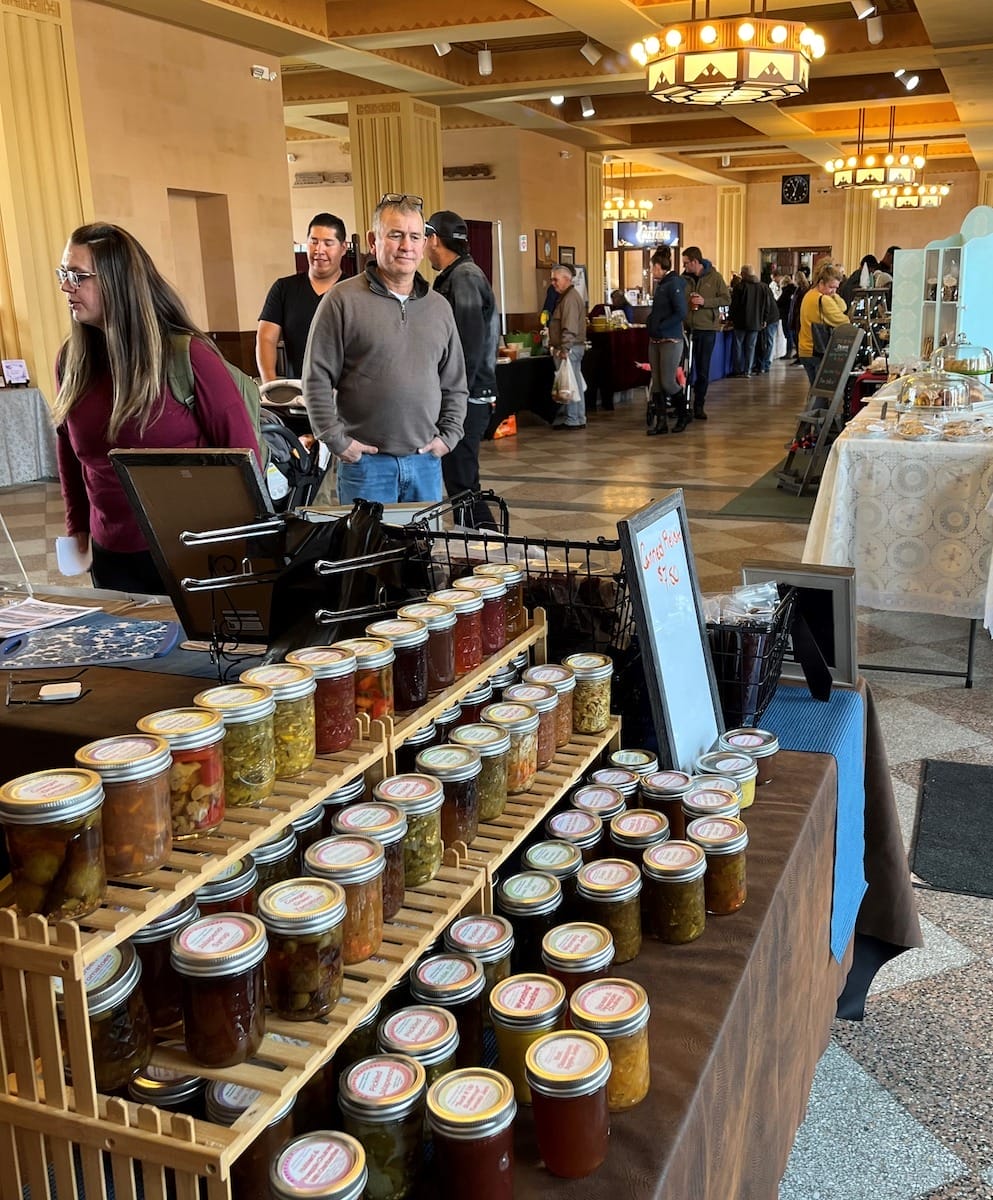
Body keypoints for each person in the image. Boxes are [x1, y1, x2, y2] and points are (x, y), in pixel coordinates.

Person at [53, 223, 261, 595]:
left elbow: (245, 459)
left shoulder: (189, 357)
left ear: (118, 282)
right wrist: (77, 528)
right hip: (110, 556)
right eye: (64, 274)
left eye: (78, 276)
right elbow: (71, 455)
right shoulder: (71, 361)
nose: (67, 286)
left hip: (190, 552)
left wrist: (245, 550)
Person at [303, 194, 467, 505]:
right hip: (366, 466)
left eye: (415, 236)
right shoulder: (342, 301)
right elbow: (316, 378)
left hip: (425, 463)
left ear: (424, 244)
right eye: (396, 235)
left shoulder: (439, 308)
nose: (407, 245)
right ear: (373, 241)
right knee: (370, 552)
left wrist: (449, 436)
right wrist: (337, 441)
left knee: (422, 552)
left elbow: (455, 382)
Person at [425, 209, 498, 529]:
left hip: (467, 395)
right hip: (467, 393)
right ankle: (479, 549)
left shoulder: (464, 277)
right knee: (460, 480)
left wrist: (452, 395)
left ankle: (489, 548)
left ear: (433, 239)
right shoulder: (459, 275)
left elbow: (467, 344)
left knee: (462, 482)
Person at [256, 212, 348, 382]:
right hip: (298, 394)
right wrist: (270, 384)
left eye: (328, 243)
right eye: (314, 242)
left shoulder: (354, 289)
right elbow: (266, 338)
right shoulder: (284, 288)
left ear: (343, 248)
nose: (319, 250)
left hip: (346, 396)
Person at [682, 245, 730, 422]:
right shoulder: (684, 279)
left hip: (707, 329)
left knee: (702, 369)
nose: (684, 267)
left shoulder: (715, 277)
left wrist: (705, 302)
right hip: (687, 328)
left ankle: (699, 405)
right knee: (685, 368)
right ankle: (682, 404)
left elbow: (726, 299)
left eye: (686, 263)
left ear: (696, 262)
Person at [645, 247, 688, 435]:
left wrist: (662, 325)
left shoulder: (673, 284)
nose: (651, 271)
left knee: (668, 382)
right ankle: (661, 422)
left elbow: (681, 311)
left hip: (670, 339)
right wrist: (651, 321)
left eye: (652, 267)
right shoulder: (661, 285)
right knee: (656, 382)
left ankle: (683, 415)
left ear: (657, 266)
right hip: (656, 339)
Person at [547, 263, 588, 429]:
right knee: (575, 382)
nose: (553, 283)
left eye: (555, 279)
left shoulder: (570, 299)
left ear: (566, 279)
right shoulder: (567, 296)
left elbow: (569, 326)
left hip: (570, 348)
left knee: (570, 383)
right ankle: (578, 417)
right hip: (573, 347)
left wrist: (564, 348)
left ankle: (573, 419)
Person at [798, 263, 849, 385]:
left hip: (804, 349)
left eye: (836, 288)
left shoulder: (809, 295)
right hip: (818, 350)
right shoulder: (824, 299)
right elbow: (843, 320)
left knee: (814, 389)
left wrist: (832, 294)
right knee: (821, 394)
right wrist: (833, 296)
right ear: (821, 283)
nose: (834, 291)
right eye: (831, 287)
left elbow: (842, 307)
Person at [728, 265, 767, 377]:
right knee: (751, 347)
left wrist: (731, 318)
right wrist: (763, 318)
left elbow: (734, 305)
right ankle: (748, 370)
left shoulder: (740, 287)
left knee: (738, 346)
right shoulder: (762, 287)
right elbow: (765, 305)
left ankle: (738, 370)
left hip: (741, 321)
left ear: (744, 274)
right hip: (755, 322)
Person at [777, 273, 797, 359]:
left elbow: (779, 302)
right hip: (793, 315)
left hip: (785, 315)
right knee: (792, 334)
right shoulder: (795, 290)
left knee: (788, 334)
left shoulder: (786, 291)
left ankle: (788, 353)